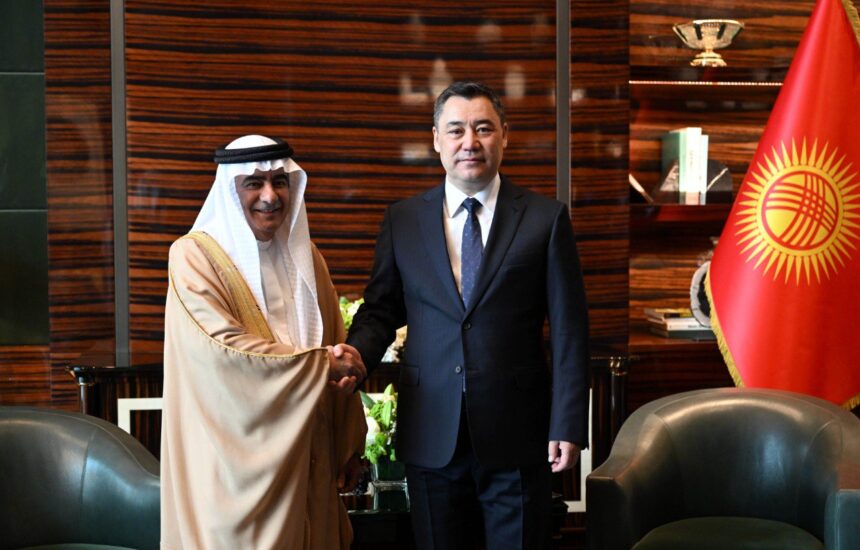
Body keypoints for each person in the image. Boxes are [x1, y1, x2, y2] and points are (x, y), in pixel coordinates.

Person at [338, 81, 590, 549]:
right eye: (456, 130)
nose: (469, 142)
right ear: (436, 139)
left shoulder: (545, 219)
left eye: (483, 129)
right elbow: (380, 311)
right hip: (432, 430)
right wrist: (355, 357)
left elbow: (570, 331)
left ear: (504, 136)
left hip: (518, 433)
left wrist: (568, 423)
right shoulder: (403, 221)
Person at [161, 135, 367, 549]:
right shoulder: (194, 258)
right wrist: (321, 365)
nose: (270, 196)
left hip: (309, 455)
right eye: (253, 183)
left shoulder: (307, 257)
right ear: (230, 189)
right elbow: (223, 352)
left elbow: (335, 343)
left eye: (280, 182)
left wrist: (348, 443)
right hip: (233, 470)